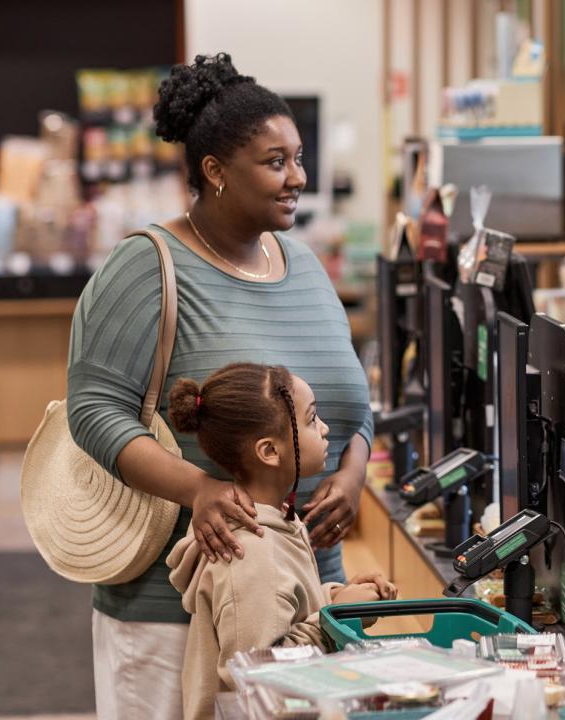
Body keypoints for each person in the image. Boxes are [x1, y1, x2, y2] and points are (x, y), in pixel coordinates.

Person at [67, 53, 373, 719]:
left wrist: (352, 476)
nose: (298, 177)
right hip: (173, 613)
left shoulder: (306, 267)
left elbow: (354, 407)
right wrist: (198, 487)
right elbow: (93, 411)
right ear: (214, 170)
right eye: (275, 161)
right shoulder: (146, 266)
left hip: (309, 596)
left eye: (298, 157)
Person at [164, 363, 397, 720]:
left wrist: (340, 598)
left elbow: (283, 613)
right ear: (270, 451)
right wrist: (336, 619)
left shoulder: (277, 525)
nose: (325, 428)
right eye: (312, 419)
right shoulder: (253, 553)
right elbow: (261, 678)